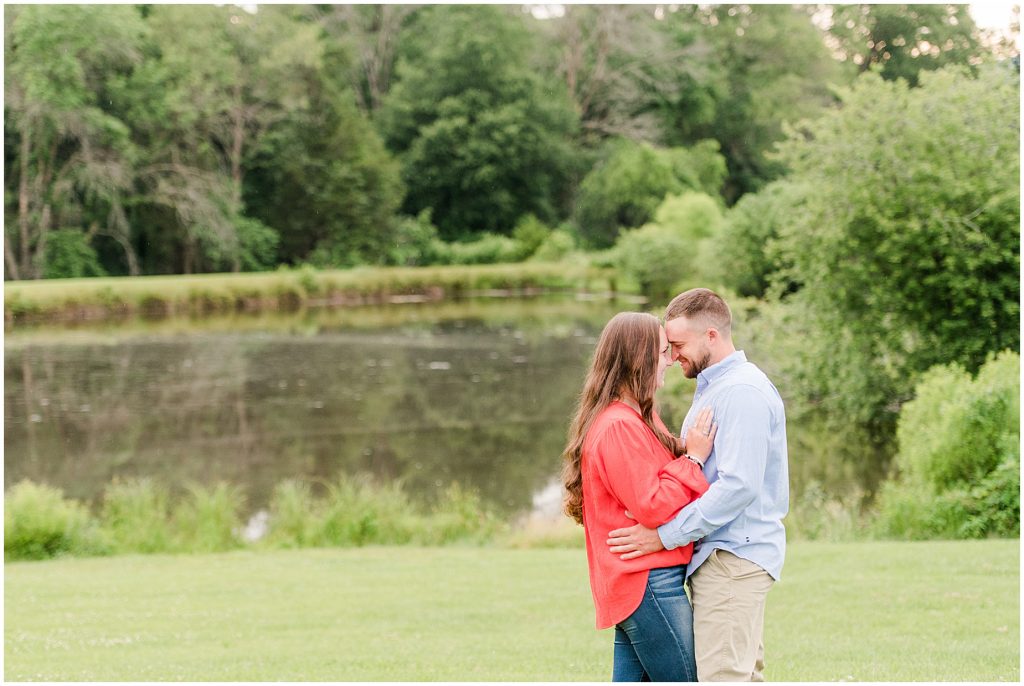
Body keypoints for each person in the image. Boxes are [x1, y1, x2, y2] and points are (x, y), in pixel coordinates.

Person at [606, 288, 789, 682]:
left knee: (722, 677)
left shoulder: (741, 392)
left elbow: (738, 487)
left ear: (711, 336)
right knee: (740, 675)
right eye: (667, 348)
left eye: (677, 345)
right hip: (721, 556)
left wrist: (665, 535)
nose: (671, 358)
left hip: (732, 556)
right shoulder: (715, 387)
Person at [562, 311, 718, 682]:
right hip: (647, 583)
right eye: (663, 352)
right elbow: (652, 505)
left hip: (643, 583)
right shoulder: (618, 425)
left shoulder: (639, 418)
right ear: (638, 357)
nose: (670, 360)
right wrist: (694, 459)